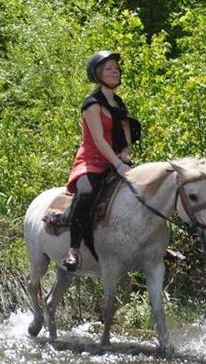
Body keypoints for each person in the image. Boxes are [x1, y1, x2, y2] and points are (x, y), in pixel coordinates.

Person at [50, 50, 135, 271]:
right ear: (97, 73)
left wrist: (125, 153)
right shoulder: (92, 103)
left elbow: (127, 138)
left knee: (145, 188)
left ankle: (151, 245)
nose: (115, 71)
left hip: (116, 161)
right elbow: (97, 139)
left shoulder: (119, 103)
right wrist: (118, 165)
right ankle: (74, 249)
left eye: (116, 68)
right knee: (86, 193)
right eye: (109, 68)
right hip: (91, 161)